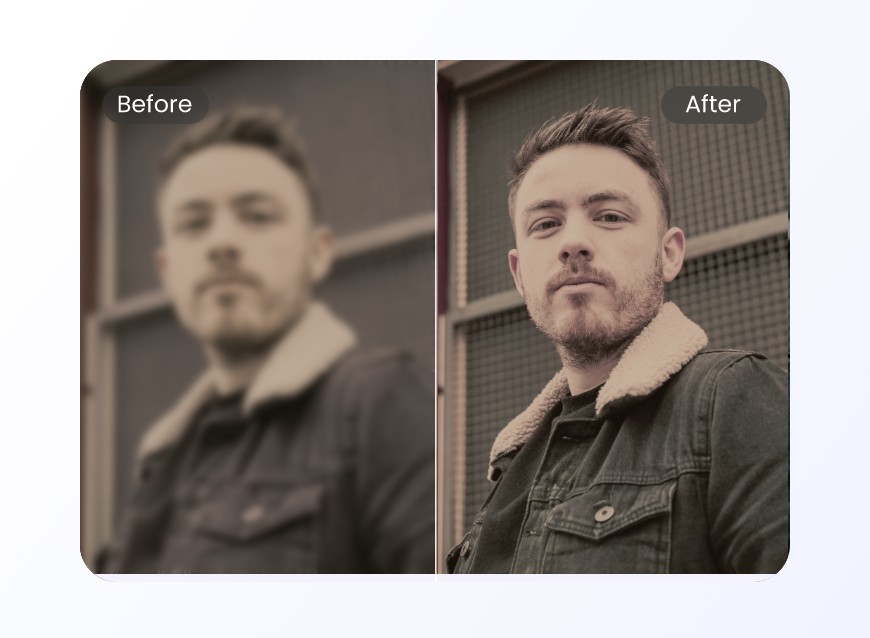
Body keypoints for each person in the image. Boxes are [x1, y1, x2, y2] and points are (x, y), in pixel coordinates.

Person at [447, 104, 788, 574]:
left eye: (608, 216)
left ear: (668, 254)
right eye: (545, 224)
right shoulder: (511, 467)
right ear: (519, 274)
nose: (574, 242)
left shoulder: (734, 398)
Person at [104, 108, 434, 574]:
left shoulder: (377, 404)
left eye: (257, 216)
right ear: (166, 271)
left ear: (318, 252)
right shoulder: (161, 460)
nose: (221, 242)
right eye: (193, 224)